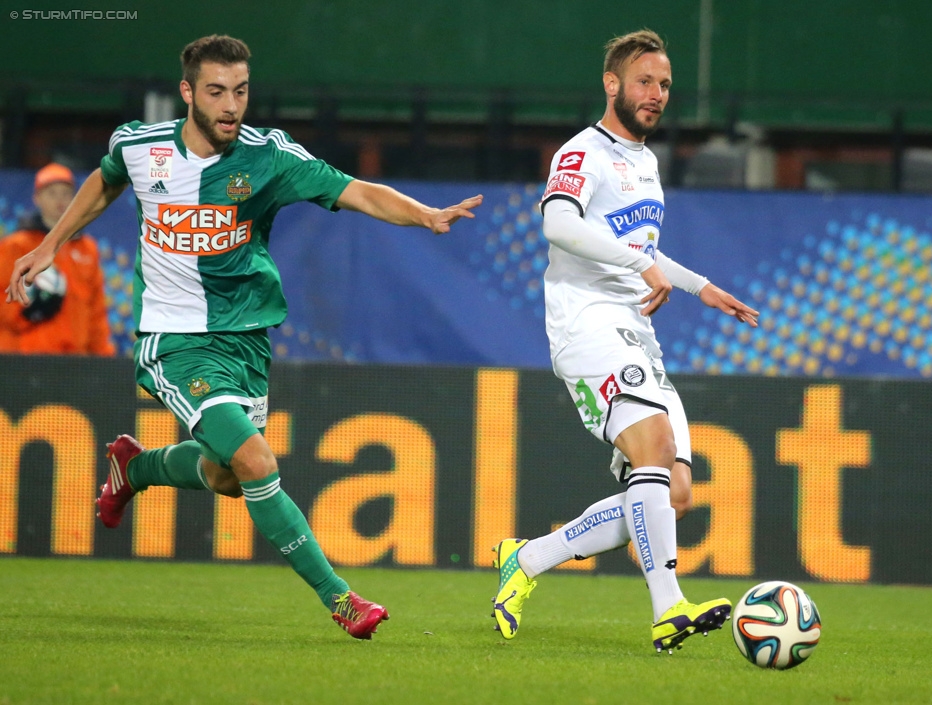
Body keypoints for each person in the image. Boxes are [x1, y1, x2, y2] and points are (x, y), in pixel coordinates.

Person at [6, 35, 482, 641]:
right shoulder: (139, 145)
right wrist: (51, 245)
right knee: (255, 461)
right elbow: (105, 182)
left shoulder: (269, 157)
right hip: (173, 340)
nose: (231, 105)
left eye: (241, 91)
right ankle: (341, 599)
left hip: (246, 339)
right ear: (187, 94)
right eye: (216, 92)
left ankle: (137, 467)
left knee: (228, 476)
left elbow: (355, 190)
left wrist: (426, 214)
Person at [489, 29, 759, 654]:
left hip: (634, 328)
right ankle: (669, 609)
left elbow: (641, 246)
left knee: (677, 492)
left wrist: (699, 286)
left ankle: (526, 559)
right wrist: (643, 269)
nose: (656, 94)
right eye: (644, 81)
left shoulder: (645, 161)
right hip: (586, 321)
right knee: (654, 448)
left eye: (665, 84)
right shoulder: (583, 150)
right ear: (612, 84)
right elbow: (558, 222)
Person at [0, 163, 115, 356]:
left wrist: (103, 357)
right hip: (24, 356)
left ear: (75, 198)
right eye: (51, 193)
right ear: (37, 198)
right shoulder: (16, 245)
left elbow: (96, 311)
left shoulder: (88, 248)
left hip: (75, 360)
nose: (59, 200)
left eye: (65, 193)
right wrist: (28, 312)